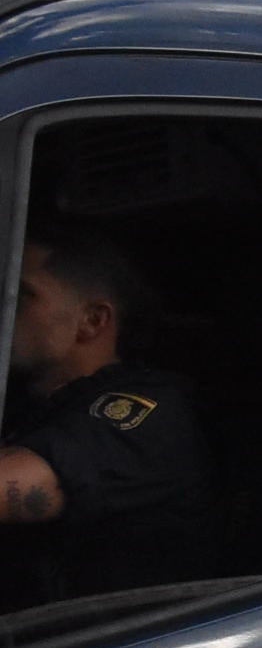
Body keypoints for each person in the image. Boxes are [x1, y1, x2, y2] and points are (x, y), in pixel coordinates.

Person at [0, 226, 215, 614]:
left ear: (93, 321)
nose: (5, 306)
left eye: (23, 295)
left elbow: (14, 487)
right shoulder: (35, 401)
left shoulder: (145, 414)